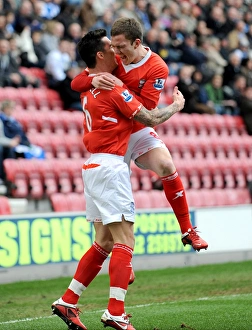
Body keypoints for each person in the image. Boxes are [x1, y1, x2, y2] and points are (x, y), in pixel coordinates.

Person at [52, 29, 185, 330]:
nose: (117, 52)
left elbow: (77, 81)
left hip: (92, 166)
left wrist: (89, 77)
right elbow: (149, 118)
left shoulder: (89, 86)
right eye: (111, 48)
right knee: (125, 240)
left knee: (104, 242)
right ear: (101, 55)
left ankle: (67, 301)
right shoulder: (113, 87)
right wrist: (176, 106)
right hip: (111, 165)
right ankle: (115, 312)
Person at [71, 17, 208, 252]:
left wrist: (121, 93)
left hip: (138, 128)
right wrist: (93, 78)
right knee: (105, 233)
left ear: (136, 43)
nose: (116, 52)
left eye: (120, 47)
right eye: (113, 46)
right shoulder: (114, 60)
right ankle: (121, 257)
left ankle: (187, 230)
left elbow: (145, 110)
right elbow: (77, 82)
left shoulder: (157, 67)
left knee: (166, 164)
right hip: (114, 135)